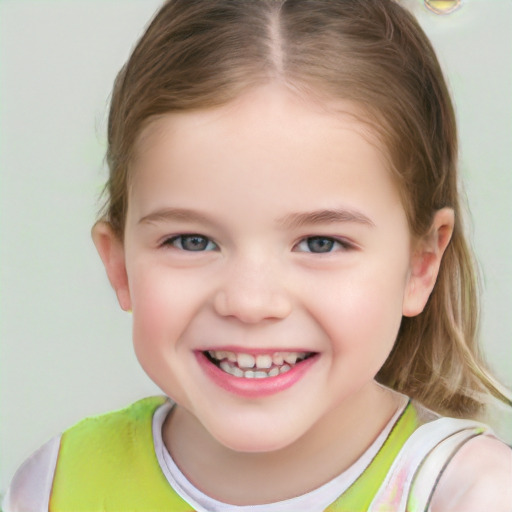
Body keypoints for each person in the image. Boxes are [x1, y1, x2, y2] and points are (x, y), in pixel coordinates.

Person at [4, 0, 512, 510]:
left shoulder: (471, 495)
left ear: (420, 265)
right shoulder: (54, 487)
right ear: (119, 265)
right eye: (192, 241)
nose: (249, 303)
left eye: (321, 243)